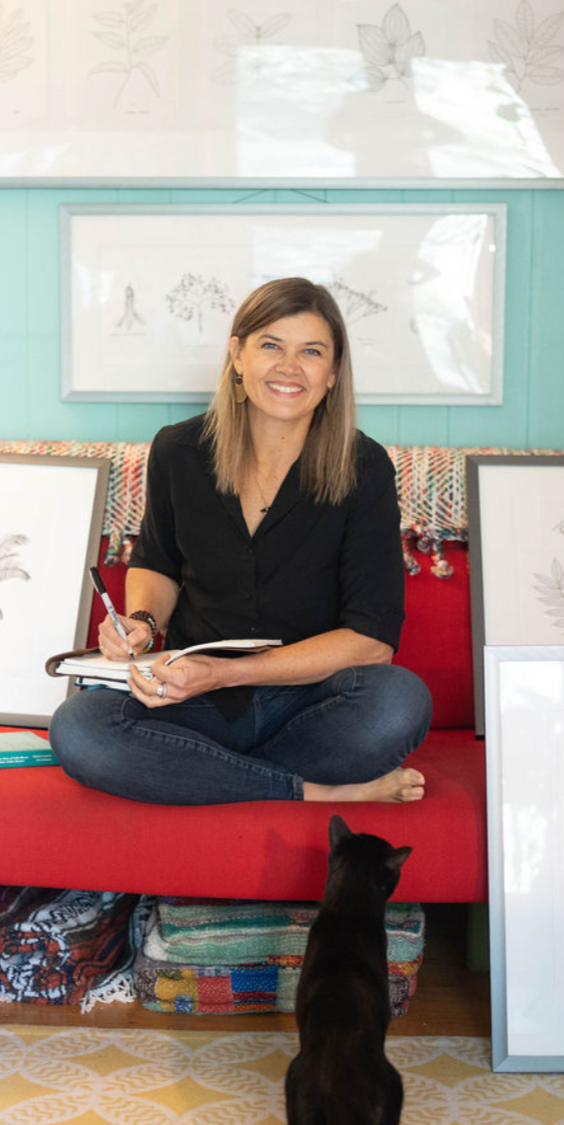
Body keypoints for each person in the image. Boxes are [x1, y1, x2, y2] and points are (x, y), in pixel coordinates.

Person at [49, 277, 431, 805]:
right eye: (271, 345)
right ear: (237, 355)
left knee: (398, 702)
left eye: (311, 352)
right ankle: (316, 792)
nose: (289, 367)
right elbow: (157, 563)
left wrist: (225, 673)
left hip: (309, 703)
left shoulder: (364, 467)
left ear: (333, 372)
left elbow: (372, 640)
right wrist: (141, 624)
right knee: (79, 726)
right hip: (193, 702)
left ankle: (207, 776)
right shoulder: (179, 450)